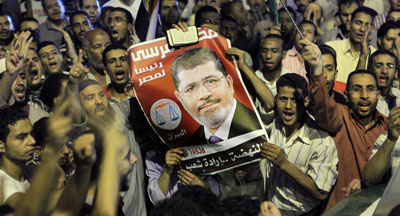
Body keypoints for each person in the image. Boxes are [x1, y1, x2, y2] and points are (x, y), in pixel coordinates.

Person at [302, 39, 387, 210]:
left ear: (378, 94)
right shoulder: (340, 116)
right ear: (346, 94)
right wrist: (317, 68)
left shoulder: (388, 127)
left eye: (370, 89)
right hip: (341, 209)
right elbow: (321, 105)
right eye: (357, 89)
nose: (364, 95)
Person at [171, 47, 261, 144]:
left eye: (211, 81)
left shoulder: (261, 122)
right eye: (190, 88)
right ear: (180, 98)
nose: (204, 95)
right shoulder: (188, 146)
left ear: (229, 83)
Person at [325, 6, 377, 91]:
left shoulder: (375, 55)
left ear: (372, 29)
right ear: (349, 24)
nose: (362, 29)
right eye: (358, 23)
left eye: (367, 25)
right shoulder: (331, 48)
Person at [0, 108, 35, 208]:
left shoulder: (31, 174)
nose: (32, 141)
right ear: (1, 146)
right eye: (21, 137)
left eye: (31, 134)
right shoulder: (4, 188)